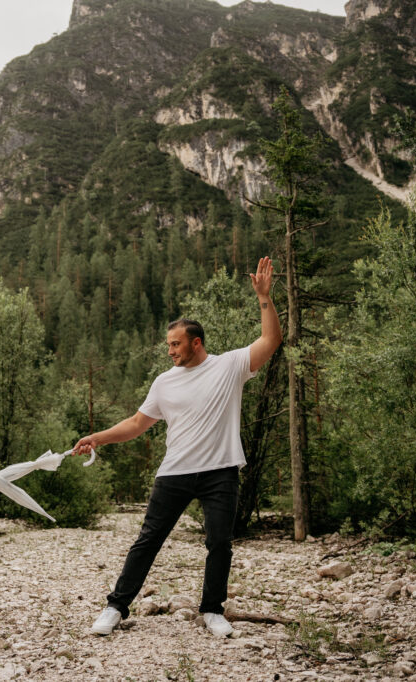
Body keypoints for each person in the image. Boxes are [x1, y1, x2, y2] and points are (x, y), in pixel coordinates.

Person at [73, 257, 281, 638]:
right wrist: (96, 437)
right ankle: (115, 607)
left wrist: (264, 299)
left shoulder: (230, 366)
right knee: (147, 541)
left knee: (220, 542)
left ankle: (213, 611)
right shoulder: (164, 382)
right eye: (168, 344)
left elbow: (270, 341)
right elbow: (137, 424)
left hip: (221, 472)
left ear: (195, 342)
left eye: (175, 344)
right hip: (175, 473)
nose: (169, 351)